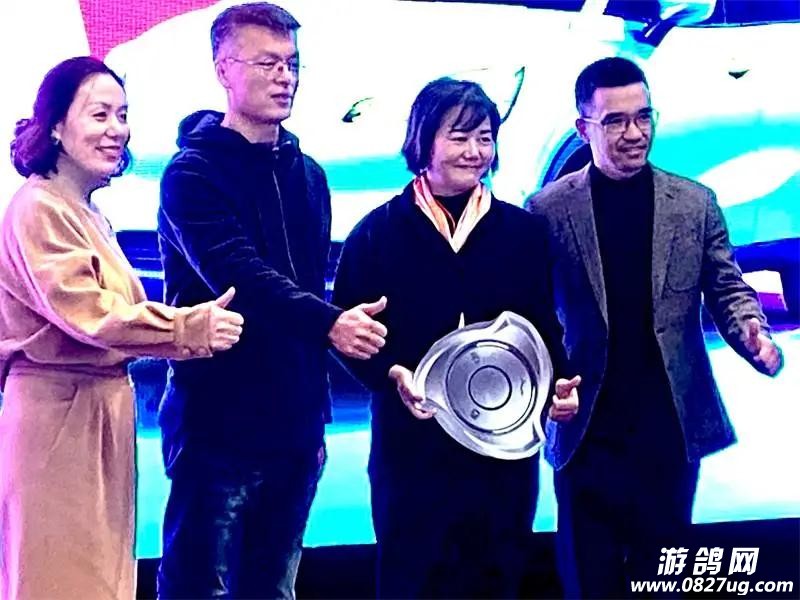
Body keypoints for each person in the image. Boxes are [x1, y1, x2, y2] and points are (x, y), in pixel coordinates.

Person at [525, 56, 784, 598]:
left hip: (668, 429)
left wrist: (752, 333)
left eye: (644, 117)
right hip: (586, 432)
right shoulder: (547, 210)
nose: (634, 133)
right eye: (616, 121)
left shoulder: (694, 204)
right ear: (584, 129)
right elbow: (531, 311)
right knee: (588, 586)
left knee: (664, 584)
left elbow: (728, 286)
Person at [155, 3, 387, 598]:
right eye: (267, 63)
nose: (285, 77)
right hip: (218, 424)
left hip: (297, 424)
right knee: (195, 586)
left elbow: (305, 281)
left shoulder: (309, 174)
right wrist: (331, 323)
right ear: (224, 70)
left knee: (274, 587)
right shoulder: (191, 174)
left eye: (292, 63)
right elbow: (240, 276)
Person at [0, 56, 243, 600]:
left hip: (95, 413)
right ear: (55, 126)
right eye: (100, 114)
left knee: (101, 577)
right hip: (58, 419)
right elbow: (90, 313)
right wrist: (187, 328)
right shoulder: (38, 207)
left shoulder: (83, 210)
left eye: (123, 115)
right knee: (63, 579)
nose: (117, 129)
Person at [333, 77, 574, 599]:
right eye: (459, 136)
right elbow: (347, 335)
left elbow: (541, 325)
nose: (474, 151)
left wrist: (557, 384)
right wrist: (390, 373)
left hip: (502, 450)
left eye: (484, 137)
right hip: (412, 448)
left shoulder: (523, 232)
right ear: (423, 141)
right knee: (411, 581)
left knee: (497, 578)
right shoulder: (376, 233)